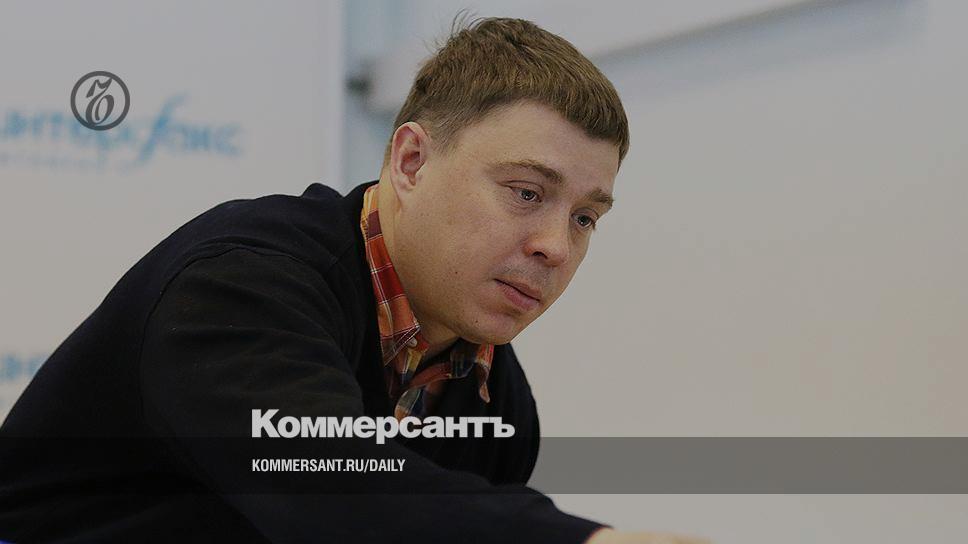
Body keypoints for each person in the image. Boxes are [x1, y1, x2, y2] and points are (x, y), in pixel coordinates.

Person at [0, 15, 707, 544]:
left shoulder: (499, 399)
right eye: (526, 192)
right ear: (410, 162)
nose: (555, 245)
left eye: (585, 218)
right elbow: (329, 485)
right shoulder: (240, 284)